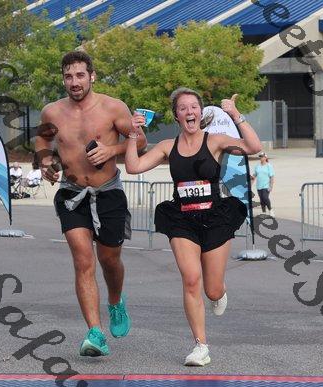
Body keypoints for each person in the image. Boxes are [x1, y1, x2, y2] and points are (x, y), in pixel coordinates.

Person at [125, 87, 262, 366]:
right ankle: (201, 346)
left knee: (212, 290)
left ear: (200, 112)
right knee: (190, 279)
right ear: (177, 115)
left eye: (194, 107)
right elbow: (133, 167)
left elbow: (253, 147)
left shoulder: (215, 141)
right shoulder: (167, 146)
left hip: (215, 218)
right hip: (182, 219)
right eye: (183, 108)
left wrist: (236, 114)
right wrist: (131, 135)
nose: (189, 111)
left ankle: (219, 292)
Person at [35, 50, 147, 357]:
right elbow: (43, 141)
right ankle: (95, 333)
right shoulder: (52, 112)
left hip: (108, 192)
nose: (74, 82)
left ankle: (115, 301)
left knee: (109, 260)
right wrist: (45, 161)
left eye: (80, 75)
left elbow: (140, 141)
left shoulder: (113, 107)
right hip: (71, 195)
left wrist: (112, 150)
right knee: (83, 261)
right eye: (68, 76)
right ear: (63, 79)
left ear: (92, 76)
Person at [251, 152, 274, 216]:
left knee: (265, 197)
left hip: (266, 185)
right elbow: (254, 175)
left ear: (265, 158)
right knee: (261, 200)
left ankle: (270, 210)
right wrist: (250, 184)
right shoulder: (257, 166)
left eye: (262, 157)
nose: (261, 158)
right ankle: (264, 212)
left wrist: (271, 186)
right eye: (260, 157)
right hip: (259, 186)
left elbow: (272, 177)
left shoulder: (269, 166)